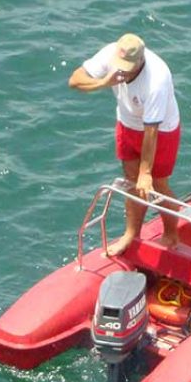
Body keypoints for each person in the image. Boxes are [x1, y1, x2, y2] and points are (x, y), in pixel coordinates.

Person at [68, 33, 181, 256]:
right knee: (131, 181)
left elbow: (152, 130)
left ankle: (171, 234)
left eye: (128, 67)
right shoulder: (110, 54)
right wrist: (102, 82)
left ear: (141, 61)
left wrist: (146, 172)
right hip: (127, 122)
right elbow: (75, 80)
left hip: (160, 129)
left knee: (157, 185)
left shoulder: (156, 78)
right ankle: (131, 235)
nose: (122, 70)